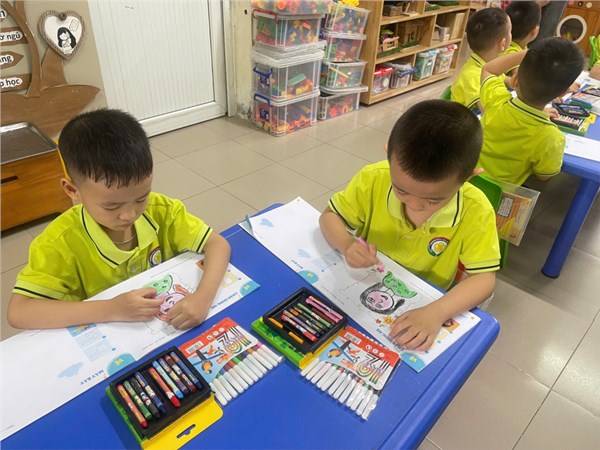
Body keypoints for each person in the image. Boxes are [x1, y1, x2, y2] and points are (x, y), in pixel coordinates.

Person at [7, 109, 231, 330]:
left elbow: (217, 244)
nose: (129, 215)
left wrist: (203, 298)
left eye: (141, 198)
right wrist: (111, 309)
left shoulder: (162, 210)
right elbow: (19, 312)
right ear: (73, 190)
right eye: (111, 206)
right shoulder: (58, 243)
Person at [319, 100, 500, 352]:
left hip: (425, 303)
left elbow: (484, 279)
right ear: (388, 156)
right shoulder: (374, 178)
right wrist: (347, 244)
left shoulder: (476, 210)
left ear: (468, 177)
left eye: (433, 200)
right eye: (401, 191)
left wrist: (437, 312)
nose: (415, 205)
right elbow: (330, 217)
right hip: (361, 287)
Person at [477, 37, 585, 185]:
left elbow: (488, 69)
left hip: (465, 182)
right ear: (564, 92)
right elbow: (544, 175)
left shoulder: (497, 101)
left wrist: (531, 53)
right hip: (500, 195)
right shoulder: (551, 137)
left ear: (515, 79)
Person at [450, 7, 512, 111]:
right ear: (503, 43)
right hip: (466, 118)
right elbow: (487, 111)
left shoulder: (490, 63)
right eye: (510, 31)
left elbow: (507, 81)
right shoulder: (474, 76)